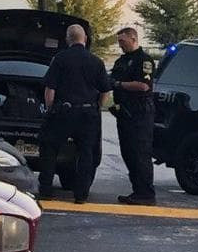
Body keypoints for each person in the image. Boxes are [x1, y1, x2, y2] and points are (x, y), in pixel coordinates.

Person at [38, 24, 112, 204]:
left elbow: (50, 89)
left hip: (63, 112)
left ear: (67, 39)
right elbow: (105, 91)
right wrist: (96, 107)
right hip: (87, 114)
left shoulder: (60, 59)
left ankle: (46, 189)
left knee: (50, 148)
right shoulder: (96, 61)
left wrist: (50, 109)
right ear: (85, 39)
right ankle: (81, 194)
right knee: (86, 153)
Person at [110, 27, 157, 205]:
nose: (120, 45)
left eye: (123, 41)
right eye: (119, 42)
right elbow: (110, 80)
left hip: (140, 114)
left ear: (133, 39)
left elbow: (144, 86)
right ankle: (137, 190)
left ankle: (146, 193)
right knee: (128, 152)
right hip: (124, 113)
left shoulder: (144, 60)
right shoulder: (121, 61)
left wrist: (119, 84)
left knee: (140, 153)